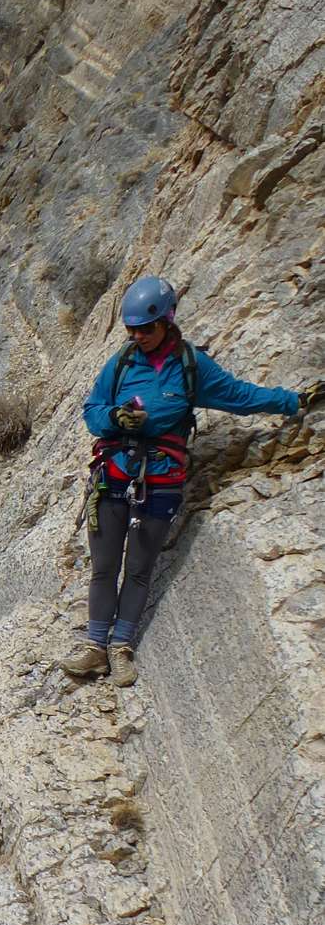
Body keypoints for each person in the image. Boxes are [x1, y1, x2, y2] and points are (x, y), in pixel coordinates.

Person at [62, 275, 317, 687]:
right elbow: (92, 409)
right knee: (104, 567)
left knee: (139, 568)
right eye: (131, 330)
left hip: (160, 480)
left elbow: (240, 396)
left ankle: (120, 647)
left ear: (167, 321)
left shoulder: (191, 366)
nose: (138, 337)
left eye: (146, 328)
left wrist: (294, 401)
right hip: (114, 475)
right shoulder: (121, 362)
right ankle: (94, 648)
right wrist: (114, 418)